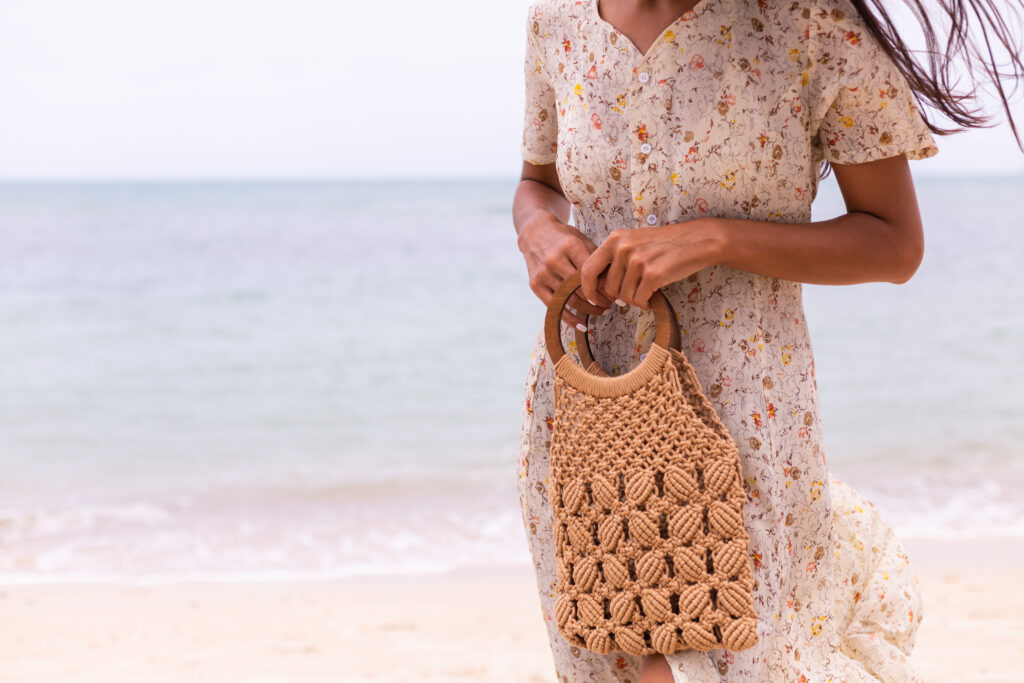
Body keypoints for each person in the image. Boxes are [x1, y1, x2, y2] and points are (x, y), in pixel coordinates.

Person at [511, 0, 1023, 680]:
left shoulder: (808, 24)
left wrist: (714, 238)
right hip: (589, 417)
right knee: (617, 663)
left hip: (740, 420)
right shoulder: (557, 21)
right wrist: (538, 232)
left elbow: (895, 244)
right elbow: (538, 183)